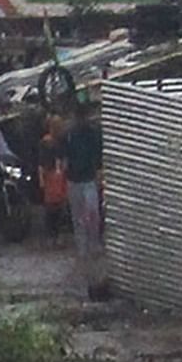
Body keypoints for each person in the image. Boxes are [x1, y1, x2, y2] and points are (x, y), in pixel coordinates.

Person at [62, 102, 105, 285]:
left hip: (86, 179)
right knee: (82, 215)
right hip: (77, 179)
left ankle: (92, 244)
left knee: (90, 213)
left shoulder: (91, 133)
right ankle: (84, 248)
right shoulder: (70, 134)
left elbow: (98, 156)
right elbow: (64, 157)